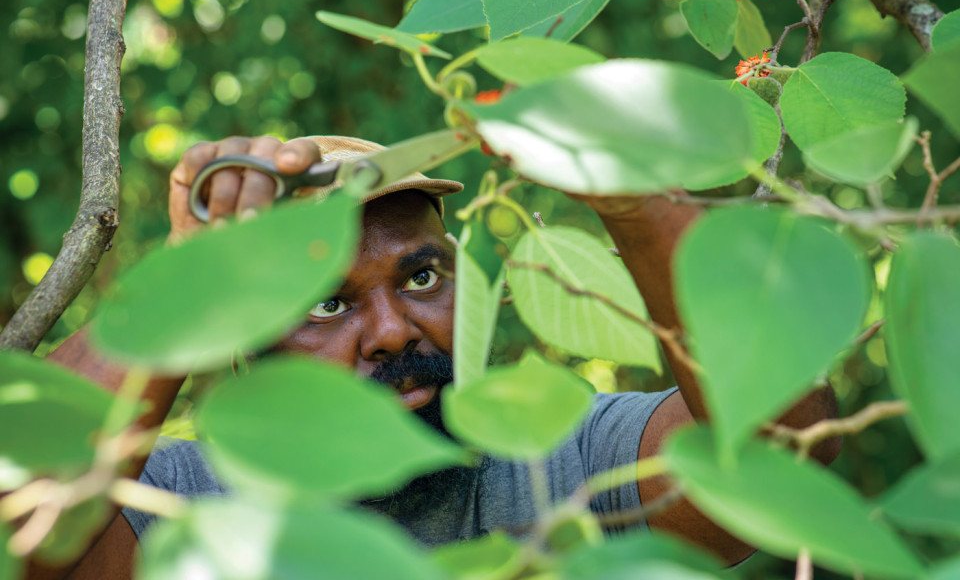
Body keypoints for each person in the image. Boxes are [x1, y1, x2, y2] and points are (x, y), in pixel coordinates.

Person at [42, 134, 840, 579]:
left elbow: (783, 460)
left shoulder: (564, 464)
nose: (392, 332)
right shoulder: (177, 508)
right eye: (327, 303)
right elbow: (28, 527)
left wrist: (629, 197)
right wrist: (187, 278)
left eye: (421, 276)